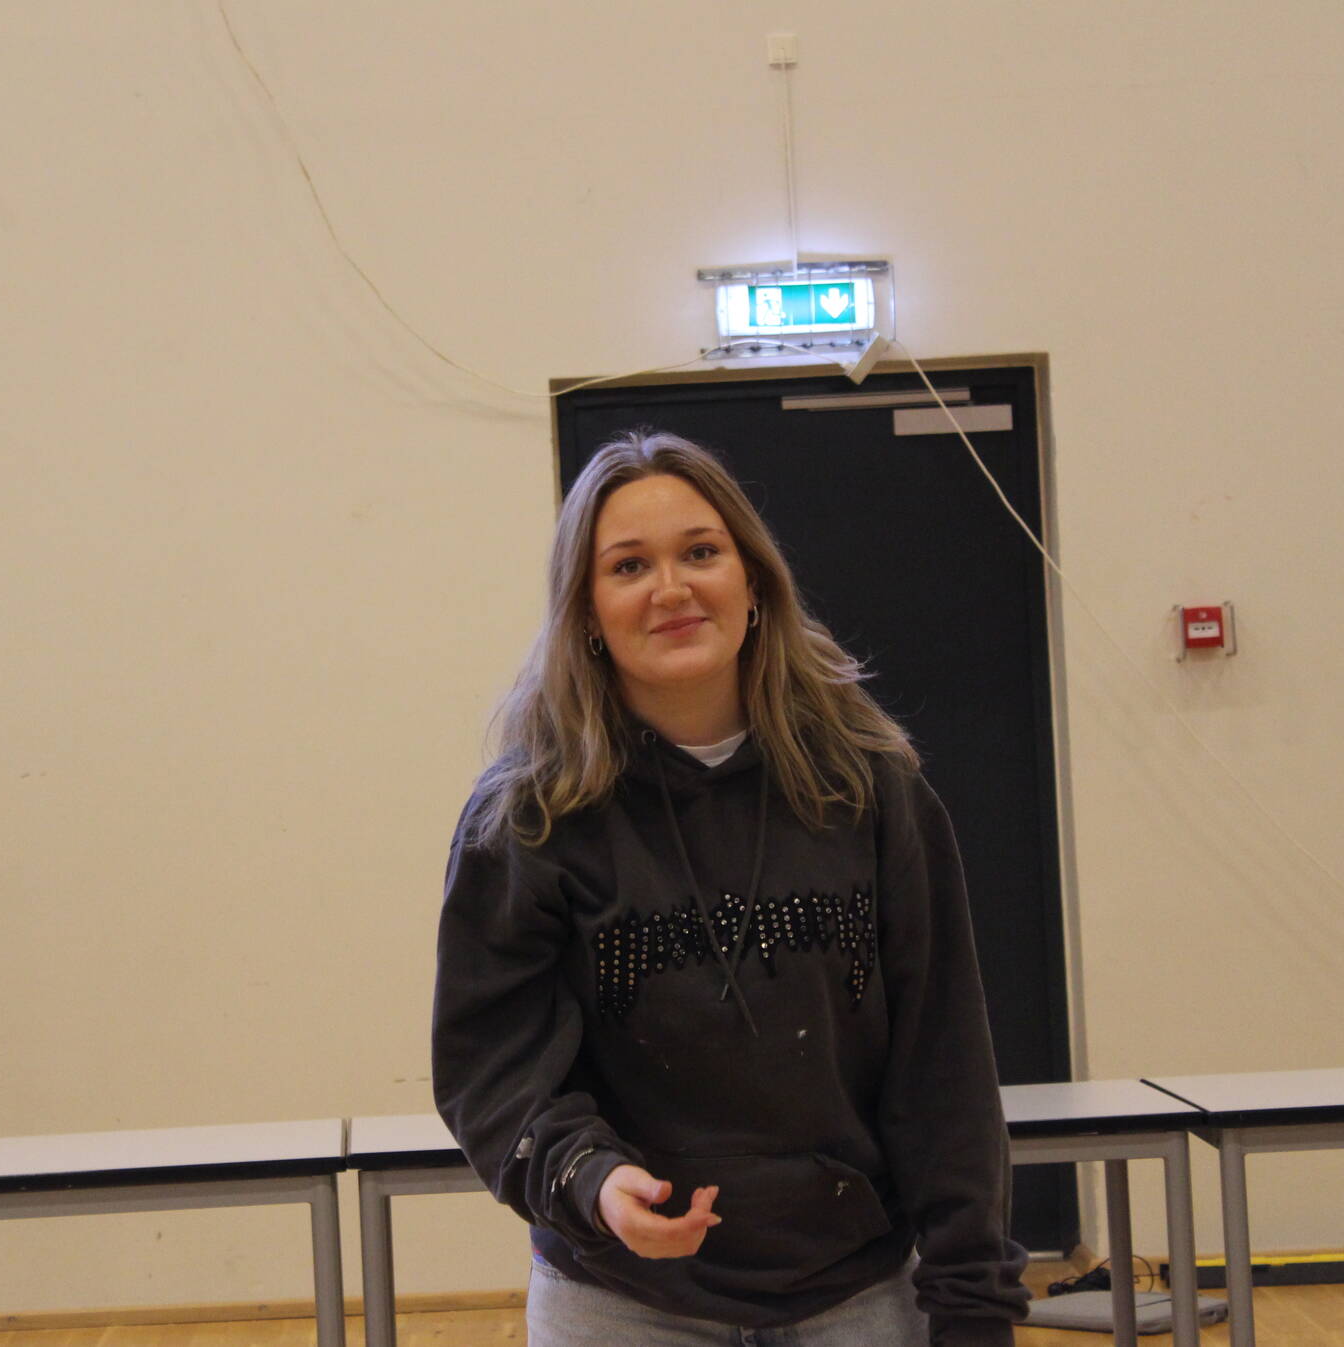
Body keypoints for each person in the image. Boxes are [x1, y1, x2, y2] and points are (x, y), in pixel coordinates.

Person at [432, 430, 1030, 1346]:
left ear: (754, 583)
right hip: (619, 1301)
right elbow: (493, 1068)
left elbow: (945, 1065)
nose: (671, 588)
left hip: (855, 1295)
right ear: (586, 611)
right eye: (629, 565)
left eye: (701, 552)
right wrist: (590, 1177)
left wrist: (974, 1304)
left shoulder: (870, 788)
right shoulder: (527, 817)